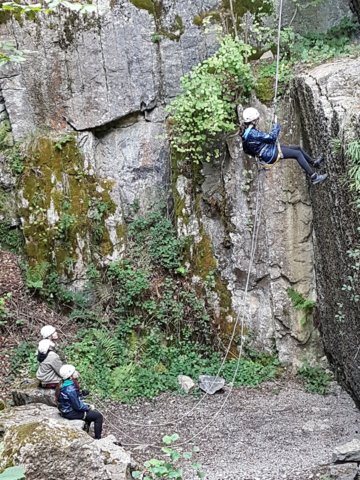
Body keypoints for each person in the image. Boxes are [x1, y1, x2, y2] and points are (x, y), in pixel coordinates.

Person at [240, 107, 328, 185]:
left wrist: (258, 152)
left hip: (268, 151)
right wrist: (276, 125)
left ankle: (314, 163)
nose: (258, 120)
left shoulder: (247, 132)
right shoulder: (252, 133)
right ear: (253, 120)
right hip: (270, 154)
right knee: (297, 154)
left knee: (297, 148)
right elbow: (272, 138)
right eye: (257, 118)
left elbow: (247, 150)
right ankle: (314, 177)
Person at [57, 364, 103, 440]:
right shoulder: (70, 388)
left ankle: (87, 432)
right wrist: (88, 407)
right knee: (98, 416)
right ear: (70, 376)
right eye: (74, 372)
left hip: (66, 409)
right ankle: (98, 439)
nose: (76, 372)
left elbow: (71, 398)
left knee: (91, 414)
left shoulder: (64, 384)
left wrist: (82, 394)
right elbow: (78, 406)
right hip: (70, 412)